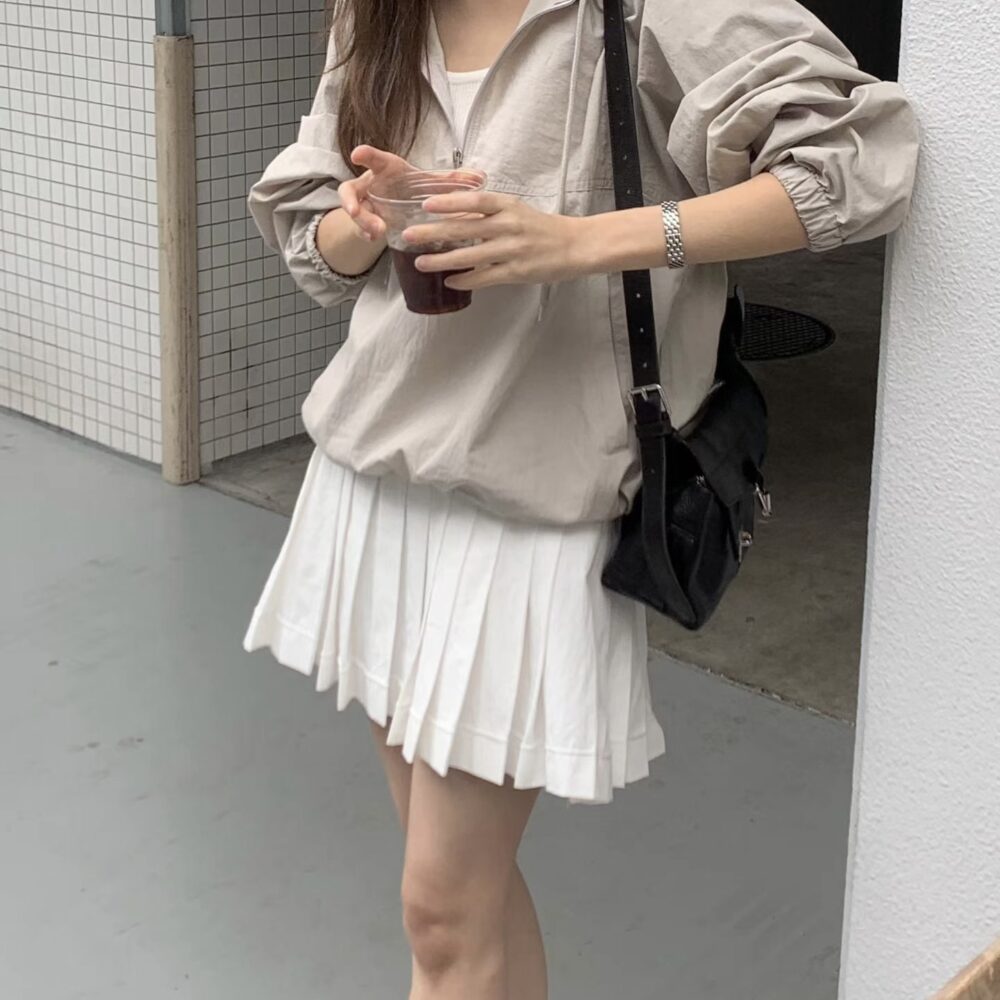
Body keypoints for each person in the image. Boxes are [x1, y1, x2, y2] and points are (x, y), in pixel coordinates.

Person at [243, 0, 919, 996]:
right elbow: (318, 247)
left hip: (538, 495)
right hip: (377, 477)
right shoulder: (376, 12)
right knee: (457, 902)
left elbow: (859, 164)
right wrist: (362, 220)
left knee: (441, 907)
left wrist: (581, 242)